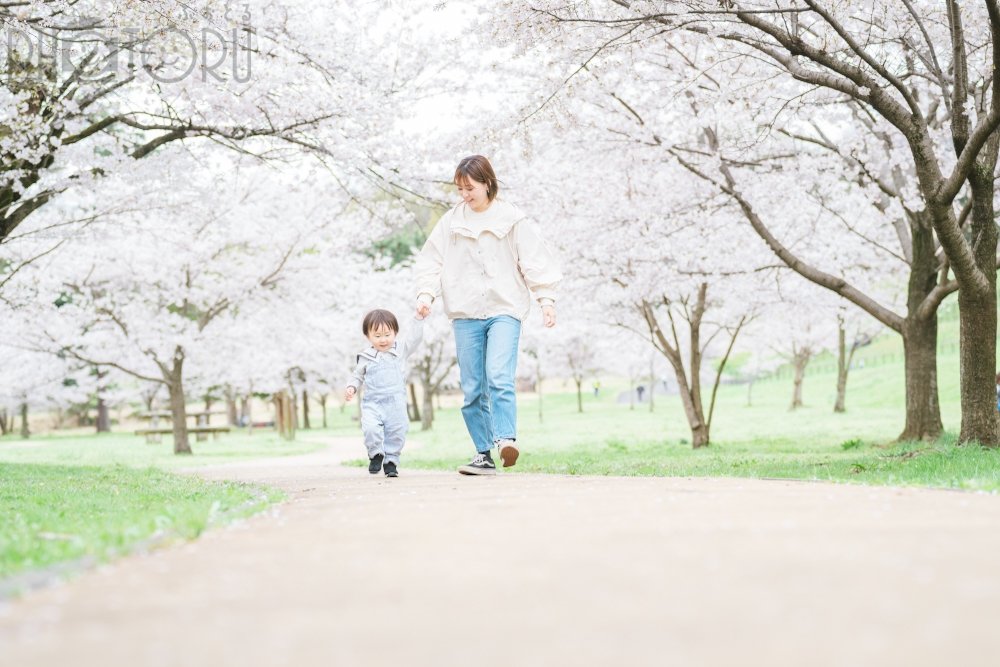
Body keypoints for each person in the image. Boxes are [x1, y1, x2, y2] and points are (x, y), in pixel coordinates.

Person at [414, 155, 562, 476]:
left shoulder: (511, 219)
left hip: (504, 308)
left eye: (470, 188)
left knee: (499, 376)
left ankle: (506, 438)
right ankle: (483, 453)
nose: (465, 195)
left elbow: (534, 261)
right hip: (465, 312)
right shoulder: (452, 221)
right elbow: (431, 261)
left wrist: (546, 300)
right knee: (472, 388)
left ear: (487, 182)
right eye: (460, 189)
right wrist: (426, 295)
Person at [345, 308, 424, 478]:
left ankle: (391, 461)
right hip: (372, 403)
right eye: (377, 336)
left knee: (397, 432)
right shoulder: (366, 357)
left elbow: (415, 339)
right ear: (368, 336)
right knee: (370, 429)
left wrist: (418, 319)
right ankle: (375, 454)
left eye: (387, 334)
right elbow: (357, 375)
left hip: (396, 402)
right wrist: (351, 387)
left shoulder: (400, 350)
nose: (383, 340)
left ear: (395, 332)